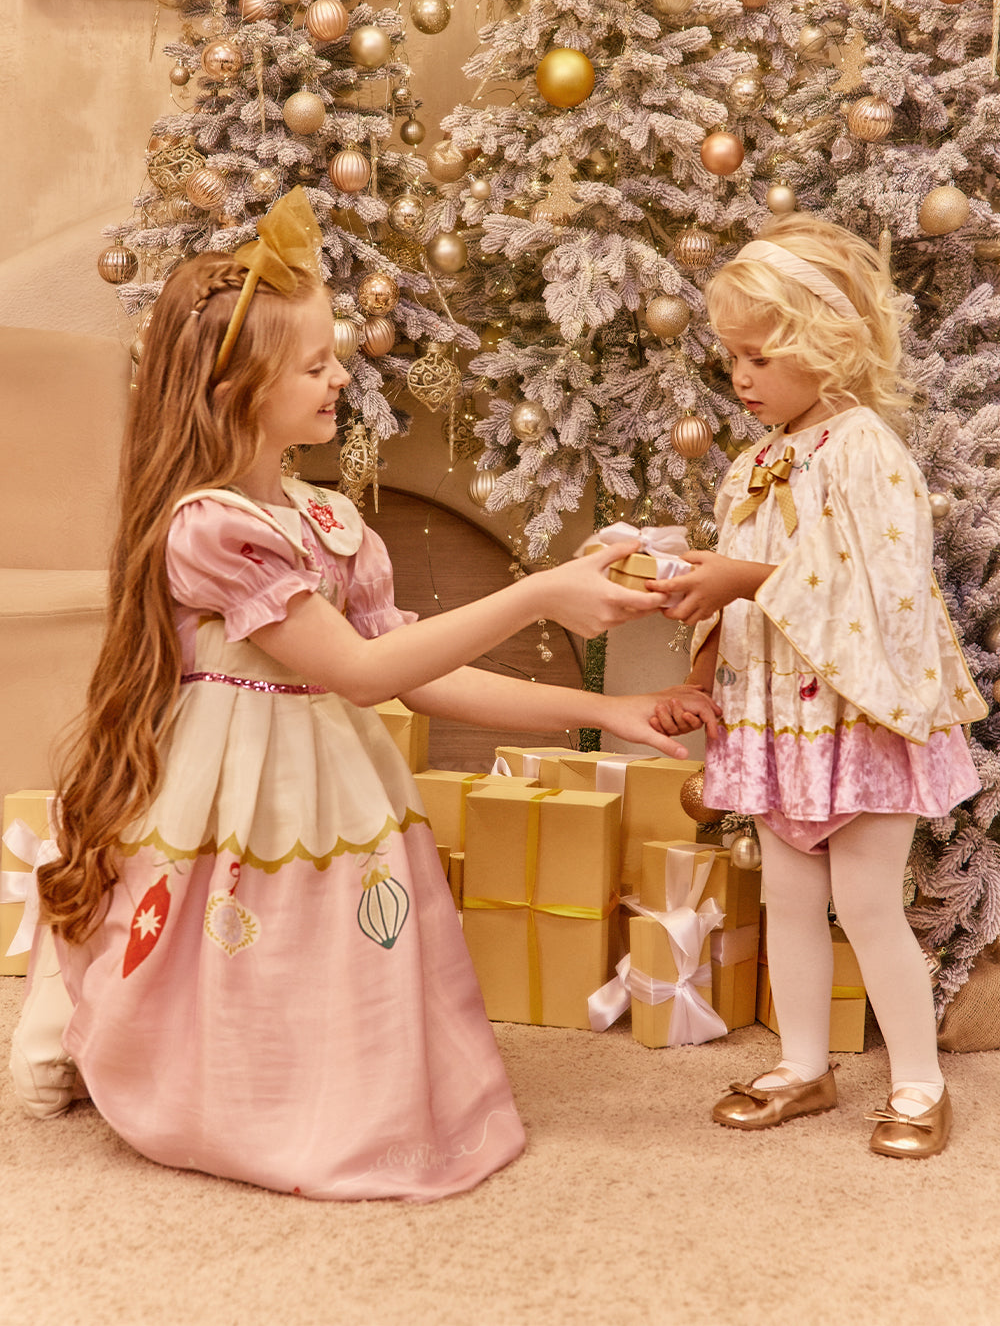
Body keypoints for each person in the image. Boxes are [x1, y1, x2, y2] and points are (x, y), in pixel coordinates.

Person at [10, 188, 710, 1202]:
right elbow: (357, 673)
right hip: (234, 788)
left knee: (333, 950)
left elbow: (413, 669)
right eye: (315, 364)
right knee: (212, 939)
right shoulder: (209, 528)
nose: (343, 376)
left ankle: (342, 1104)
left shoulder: (328, 518)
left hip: (335, 778)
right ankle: (113, 1043)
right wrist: (539, 593)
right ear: (238, 385)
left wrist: (599, 714)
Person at [650, 213, 986, 1159]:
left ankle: (918, 1081)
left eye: (759, 357)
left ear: (822, 345)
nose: (742, 380)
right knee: (789, 899)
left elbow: (884, 586)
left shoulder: (866, 446)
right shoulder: (755, 464)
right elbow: (743, 575)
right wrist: (703, 663)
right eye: (732, 361)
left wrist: (747, 579)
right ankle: (804, 1065)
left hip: (859, 713)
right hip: (774, 722)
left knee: (870, 903)